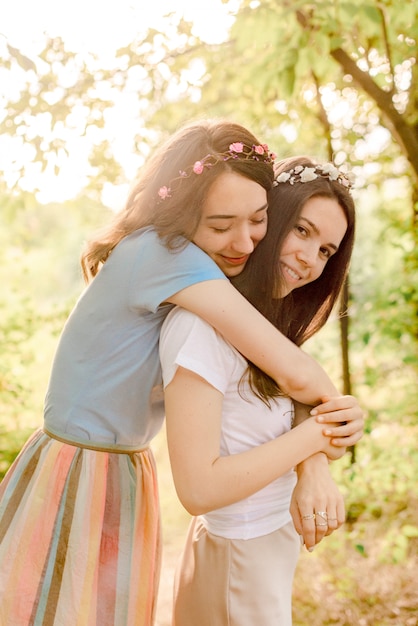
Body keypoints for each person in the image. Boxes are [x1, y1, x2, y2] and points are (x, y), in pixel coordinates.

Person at [0, 120, 361, 626]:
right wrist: (330, 423)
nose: (243, 241)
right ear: (182, 214)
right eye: (220, 225)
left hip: (122, 463)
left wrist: (315, 458)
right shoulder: (168, 254)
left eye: (258, 219)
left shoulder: (184, 260)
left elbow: (282, 369)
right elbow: (293, 369)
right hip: (81, 468)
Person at [159, 155, 357, 626]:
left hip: (267, 547)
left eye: (327, 250)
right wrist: (314, 440)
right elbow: (197, 489)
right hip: (237, 558)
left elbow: (313, 410)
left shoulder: (266, 332)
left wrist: (313, 471)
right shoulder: (200, 328)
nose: (310, 259)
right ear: (270, 220)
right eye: (302, 231)